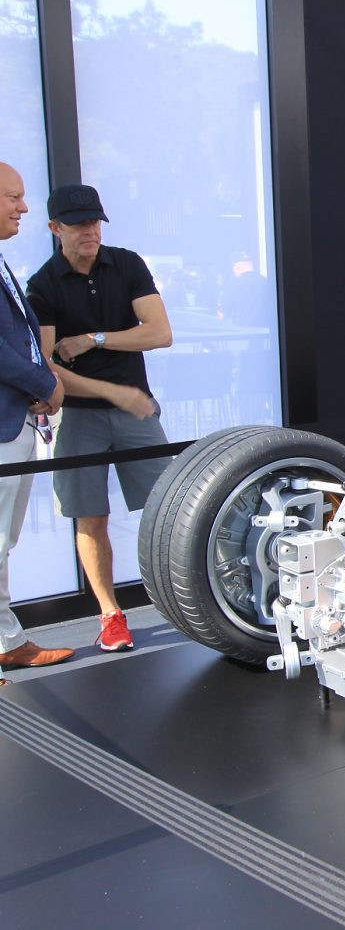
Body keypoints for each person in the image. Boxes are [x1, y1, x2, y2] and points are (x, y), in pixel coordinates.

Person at [26, 183, 173, 653]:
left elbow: (160, 333)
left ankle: (186, 598)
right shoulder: (43, 285)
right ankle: (111, 614)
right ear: (55, 228)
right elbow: (47, 368)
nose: (89, 231)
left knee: (168, 509)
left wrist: (94, 339)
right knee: (90, 518)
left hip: (137, 411)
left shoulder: (126, 264)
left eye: (94, 221)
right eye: (77, 224)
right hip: (79, 417)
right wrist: (114, 391)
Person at [0, 162, 73, 682]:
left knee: (2, 540)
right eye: (13, 197)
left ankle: (6, 641)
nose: (24, 207)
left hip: (14, 420)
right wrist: (44, 384)